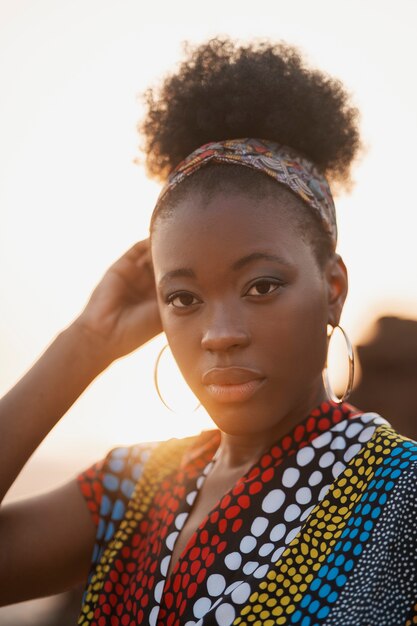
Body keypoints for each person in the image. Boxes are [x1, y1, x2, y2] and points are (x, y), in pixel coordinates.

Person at [1, 38, 417, 626]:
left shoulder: (402, 498)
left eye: (261, 287)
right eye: (184, 298)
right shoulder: (133, 491)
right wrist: (87, 343)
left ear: (333, 288)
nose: (218, 334)